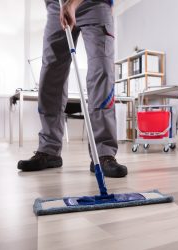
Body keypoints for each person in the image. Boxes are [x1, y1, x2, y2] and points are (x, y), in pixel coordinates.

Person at [17, 0, 127, 178]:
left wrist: (73, 3)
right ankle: (49, 150)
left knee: (102, 72)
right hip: (58, 6)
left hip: (96, 4)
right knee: (50, 75)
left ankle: (103, 153)